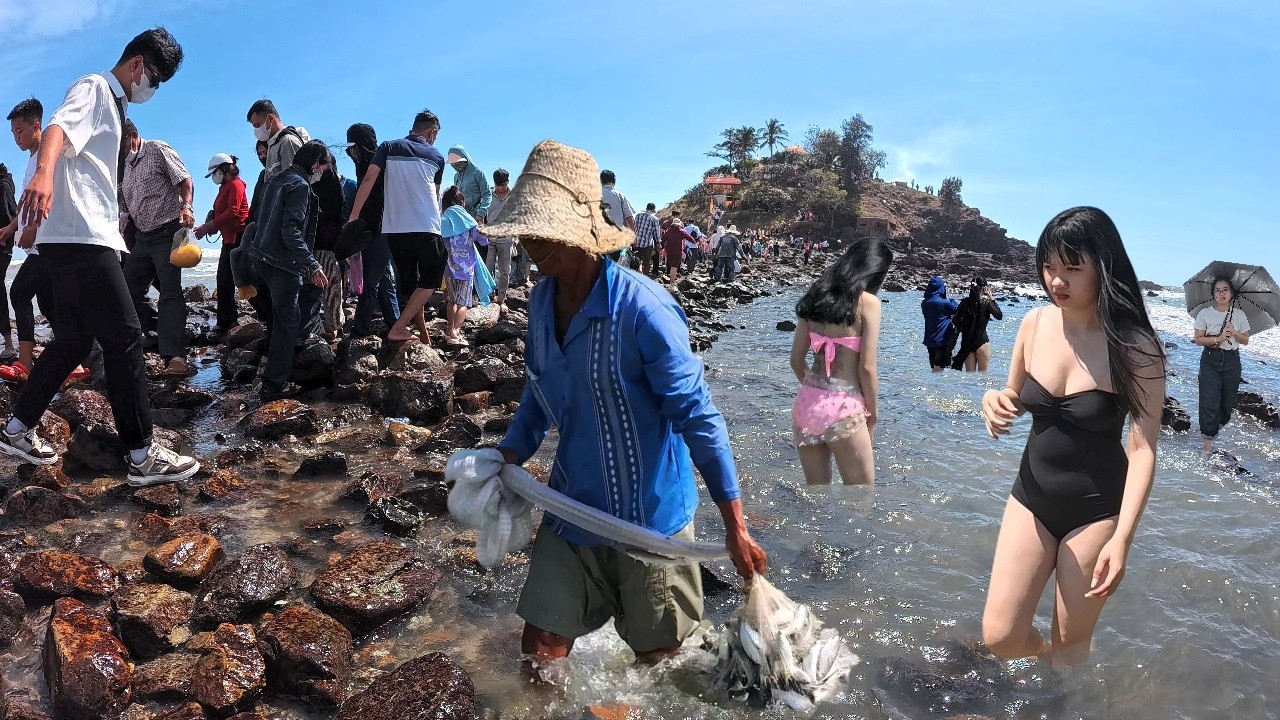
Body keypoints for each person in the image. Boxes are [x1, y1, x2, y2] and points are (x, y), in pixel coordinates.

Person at [480, 140, 766, 679]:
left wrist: (734, 525)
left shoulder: (645, 311)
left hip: (650, 524)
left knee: (660, 668)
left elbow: (698, 418)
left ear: (581, 235)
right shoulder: (540, 304)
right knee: (538, 649)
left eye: (540, 232)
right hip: (573, 511)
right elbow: (537, 398)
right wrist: (503, 461)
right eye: (525, 230)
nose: (527, 241)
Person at [3, 27, 199, 486]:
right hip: (83, 238)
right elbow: (57, 128)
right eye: (153, 78)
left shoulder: (116, 108)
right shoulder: (95, 88)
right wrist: (44, 175)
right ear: (136, 65)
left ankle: (16, 428)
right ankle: (143, 455)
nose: (151, 88)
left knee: (72, 341)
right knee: (127, 339)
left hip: (69, 240)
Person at [980, 206, 1165, 668]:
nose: (1056, 281)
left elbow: (1142, 450)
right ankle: (1043, 662)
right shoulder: (1035, 324)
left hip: (1097, 510)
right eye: (1049, 267)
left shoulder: (1136, 347)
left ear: (1103, 267)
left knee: (1069, 648)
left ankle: (1060, 694)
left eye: (1071, 268)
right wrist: (996, 400)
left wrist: (1122, 538)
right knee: (1001, 636)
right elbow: (1016, 394)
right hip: (1032, 496)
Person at [790, 238, 890, 485]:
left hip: (807, 404)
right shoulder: (868, 303)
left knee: (817, 497)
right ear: (875, 271)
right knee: (861, 498)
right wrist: (873, 415)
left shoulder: (816, 295)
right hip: (845, 407)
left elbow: (795, 360)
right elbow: (867, 367)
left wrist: (817, 393)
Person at [348, 109, 447, 345]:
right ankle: (399, 327)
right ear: (432, 131)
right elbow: (435, 194)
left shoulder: (388, 147)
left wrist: (353, 216)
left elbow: (369, 179)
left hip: (395, 229)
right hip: (426, 225)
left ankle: (422, 334)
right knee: (431, 279)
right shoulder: (436, 156)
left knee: (412, 286)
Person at [247, 140, 331, 401]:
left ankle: (274, 360)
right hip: (284, 263)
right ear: (316, 163)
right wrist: (312, 265)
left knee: (281, 315)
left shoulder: (275, 179)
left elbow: (261, 220)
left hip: (262, 257)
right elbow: (291, 230)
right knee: (287, 322)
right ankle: (274, 384)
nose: (323, 173)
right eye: (324, 168)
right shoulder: (301, 186)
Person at [119, 120, 195, 376]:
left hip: (168, 231)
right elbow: (124, 206)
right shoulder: (125, 168)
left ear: (133, 135)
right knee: (127, 289)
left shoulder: (156, 149)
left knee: (170, 291)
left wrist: (187, 207)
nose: (120, 152)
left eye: (122, 145)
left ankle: (176, 356)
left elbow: (185, 180)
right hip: (142, 237)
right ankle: (155, 333)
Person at [344, 123, 399, 338]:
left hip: (382, 229)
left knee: (371, 282)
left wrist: (354, 219)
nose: (351, 152)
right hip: (372, 230)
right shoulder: (362, 164)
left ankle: (361, 329)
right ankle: (395, 322)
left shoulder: (380, 162)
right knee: (383, 279)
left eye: (354, 147)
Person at [193, 153, 249, 340]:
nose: (214, 178)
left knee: (232, 280)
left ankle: (228, 321)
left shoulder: (236, 185)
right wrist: (213, 224)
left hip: (239, 238)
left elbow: (233, 212)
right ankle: (227, 320)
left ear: (224, 170)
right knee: (227, 280)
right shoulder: (226, 186)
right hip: (229, 239)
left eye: (215, 173)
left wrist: (209, 226)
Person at [1193, 276, 1251, 453]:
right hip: (1211, 358)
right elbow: (1198, 339)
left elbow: (1246, 340)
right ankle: (1207, 445)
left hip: (1232, 360)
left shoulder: (1239, 314)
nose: (1221, 293)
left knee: (1227, 405)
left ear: (1231, 293)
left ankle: (1213, 427)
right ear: (1213, 294)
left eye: (1225, 289)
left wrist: (1234, 332)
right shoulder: (1204, 313)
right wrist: (1218, 339)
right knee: (1208, 400)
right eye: (1218, 290)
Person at [440, 187, 484, 345]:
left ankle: (449, 329)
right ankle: (456, 332)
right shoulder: (470, 222)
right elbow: (483, 240)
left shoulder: (443, 221)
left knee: (451, 301)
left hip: (449, 269)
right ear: (462, 203)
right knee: (463, 303)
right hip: (466, 271)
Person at [246, 99, 309, 182]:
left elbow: (293, 184)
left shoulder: (288, 142)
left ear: (270, 118)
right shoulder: (273, 145)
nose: (256, 130)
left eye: (258, 125)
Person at [950, 276, 1004, 372]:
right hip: (982, 341)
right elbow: (999, 316)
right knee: (983, 378)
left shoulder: (964, 302)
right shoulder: (987, 302)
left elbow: (955, 321)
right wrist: (992, 298)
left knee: (971, 381)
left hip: (967, 344)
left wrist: (966, 328)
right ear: (984, 288)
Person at [484, 168, 514, 316]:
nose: (500, 188)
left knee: (504, 271)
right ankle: (489, 297)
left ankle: (501, 299)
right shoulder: (488, 195)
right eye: (498, 185)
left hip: (506, 238)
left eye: (503, 184)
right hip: (489, 238)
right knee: (487, 268)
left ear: (507, 182)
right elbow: (482, 214)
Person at [921, 274, 958, 372]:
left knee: (934, 369)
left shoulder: (924, 303)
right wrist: (952, 300)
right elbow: (958, 310)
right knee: (943, 370)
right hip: (943, 341)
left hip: (930, 341)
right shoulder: (945, 303)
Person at [447, 146, 492, 223]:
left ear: (465, 160)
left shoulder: (478, 173)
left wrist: (481, 213)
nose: (455, 166)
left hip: (477, 216)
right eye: (453, 164)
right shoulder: (456, 176)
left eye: (457, 163)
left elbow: (487, 195)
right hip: (463, 217)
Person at [632, 202, 661, 277]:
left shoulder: (638, 215)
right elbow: (656, 233)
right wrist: (658, 243)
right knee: (646, 263)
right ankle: (645, 278)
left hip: (637, 243)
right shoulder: (654, 218)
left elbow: (634, 227)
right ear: (653, 210)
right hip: (647, 244)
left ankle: (636, 277)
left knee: (636, 261)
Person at [659, 214, 691, 283]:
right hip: (678, 250)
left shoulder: (667, 226)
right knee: (675, 266)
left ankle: (668, 275)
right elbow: (690, 238)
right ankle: (672, 281)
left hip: (669, 249)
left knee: (669, 263)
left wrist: (661, 246)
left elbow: (662, 236)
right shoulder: (681, 230)